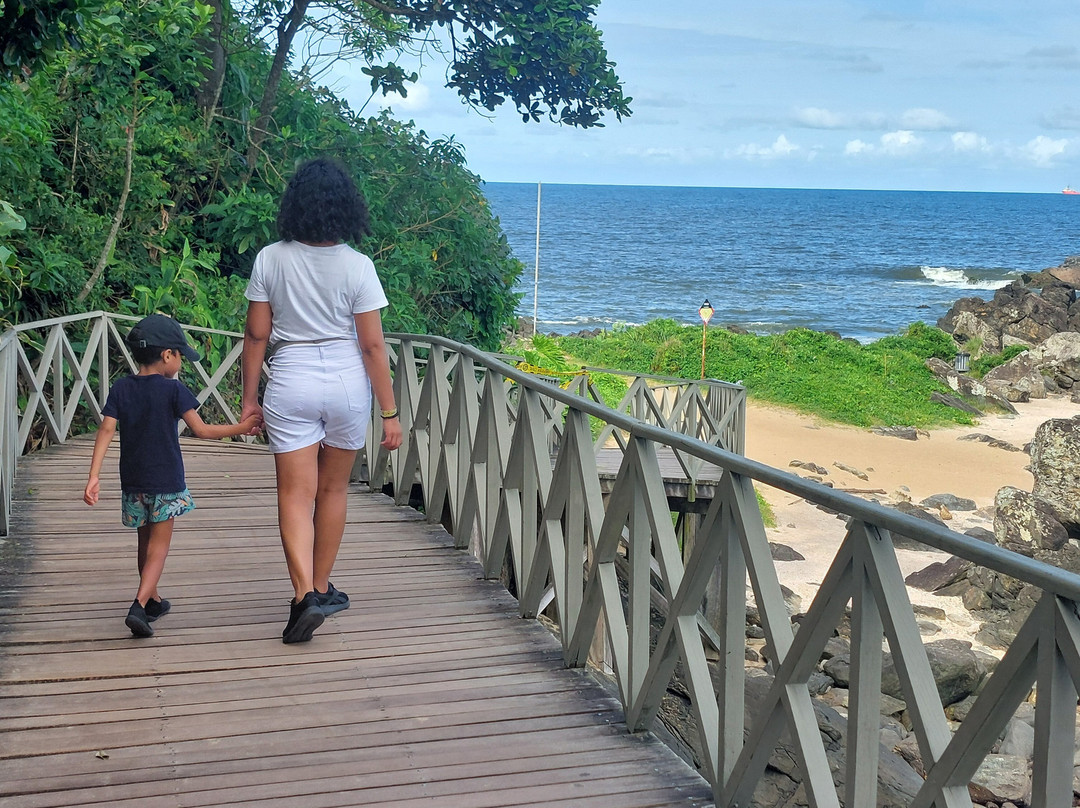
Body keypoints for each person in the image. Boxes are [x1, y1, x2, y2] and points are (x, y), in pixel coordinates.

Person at [240, 157, 402, 645]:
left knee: (294, 493)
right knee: (333, 492)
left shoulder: (271, 258)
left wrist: (250, 399)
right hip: (348, 382)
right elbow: (373, 345)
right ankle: (322, 585)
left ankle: (302, 594)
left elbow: (255, 334)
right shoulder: (358, 265)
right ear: (347, 208)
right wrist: (390, 413)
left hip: (292, 377)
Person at [84, 314, 262, 638]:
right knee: (160, 547)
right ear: (167, 355)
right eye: (180, 355)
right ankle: (139, 604)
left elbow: (106, 428)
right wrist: (243, 427)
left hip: (133, 482)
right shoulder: (173, 389)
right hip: (165, 482)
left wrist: (94, 476)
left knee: (144, 541)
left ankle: (152, 600)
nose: (180, 362)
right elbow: (202, 430)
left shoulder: (122, 388)